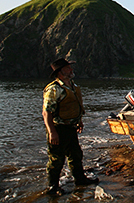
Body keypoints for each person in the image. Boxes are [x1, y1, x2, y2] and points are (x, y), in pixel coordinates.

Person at [42, 58, 99, 196]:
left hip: (71, 127)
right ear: (60, 72)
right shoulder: (54, 89)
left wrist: (79, 121)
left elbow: (74, 106)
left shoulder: (72, 86)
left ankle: (80, 180)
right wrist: (52, 132)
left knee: (76, 155)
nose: (71, 70)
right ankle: (52, 187)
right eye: (68, 68)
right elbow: (46, 112)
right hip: (59, 129)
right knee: (56, 159)